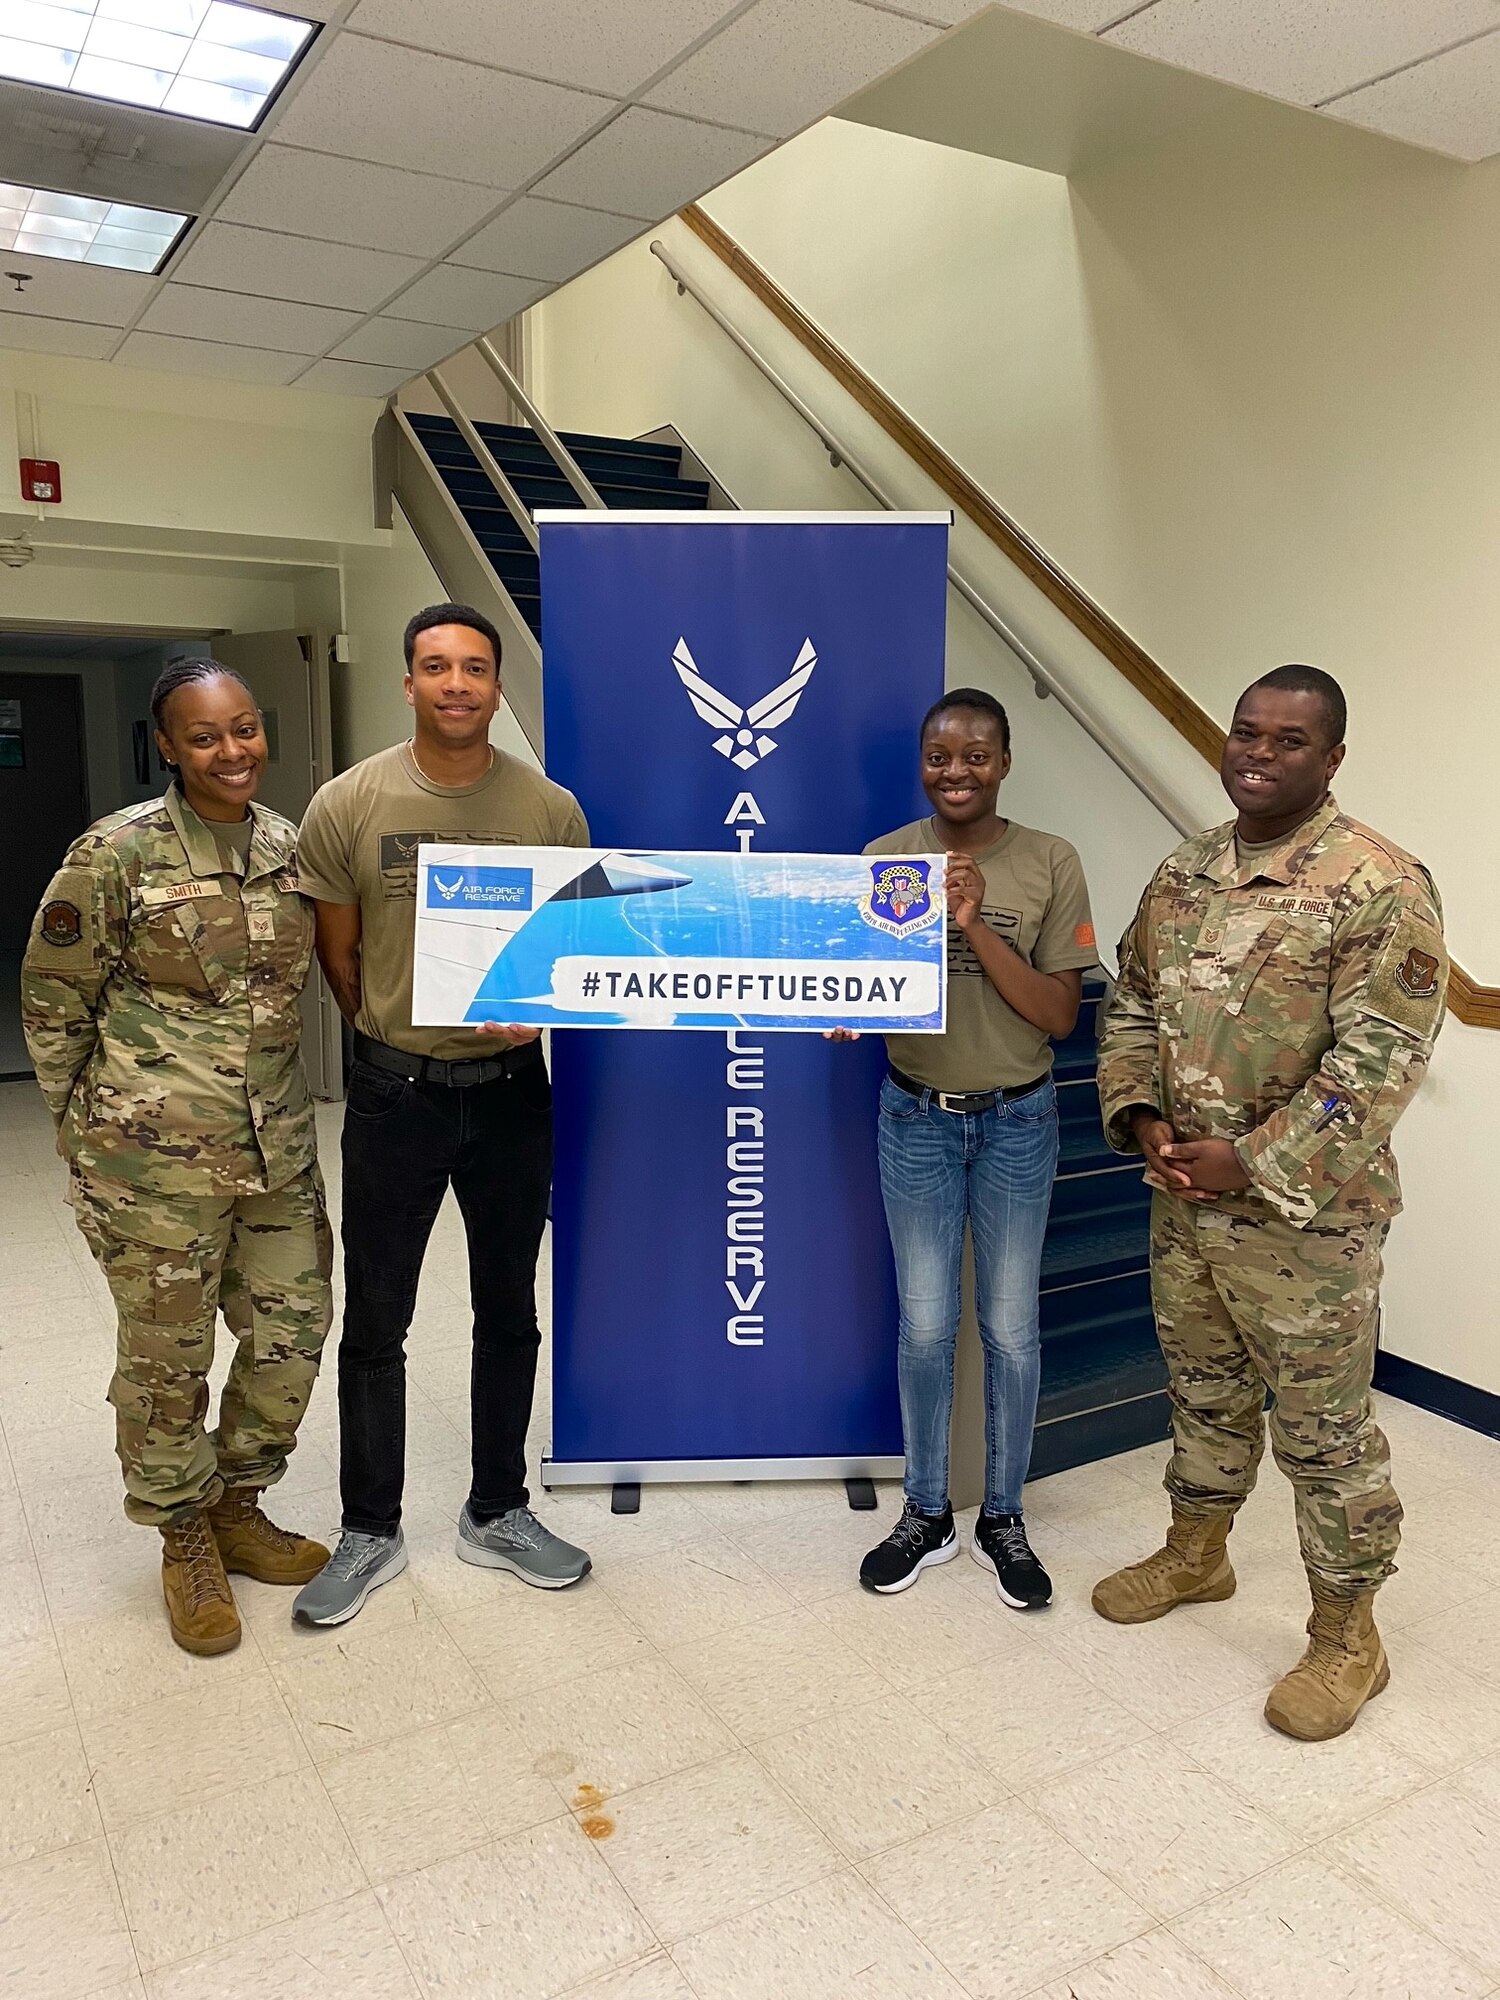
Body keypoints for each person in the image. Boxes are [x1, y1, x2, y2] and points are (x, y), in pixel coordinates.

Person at [1094, 664, 1447, 1741]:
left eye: (1288, 740)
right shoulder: (1185, 871)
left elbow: (1379, 1063)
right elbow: (1134, 1003)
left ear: (1332, 757)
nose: (1257, 751)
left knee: (1324, 1431)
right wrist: (1145, 1121)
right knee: (1202, 1389)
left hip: (1307, 1224)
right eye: (1246, 731)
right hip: (1184, 1200)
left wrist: (1247, 1161)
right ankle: (1198, 1554)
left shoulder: (1378, 882)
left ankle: (1349, 1630)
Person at [21, 660, 332, 1656]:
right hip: (150, 1165)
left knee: (294, 1331)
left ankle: (239, 1498)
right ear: (167, 745)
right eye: (204, 736)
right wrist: (89, 1136)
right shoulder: (115, 853)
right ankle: (182, 1530)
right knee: (168, 1356)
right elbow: (54, 1001)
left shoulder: (291, 849)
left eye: (243, 729)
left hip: (276, 1147)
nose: (230, 750)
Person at [290, 603, 592, 1626]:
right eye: (434, 665)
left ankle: (496, 1509)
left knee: (509, 1310)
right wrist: (390, 1037)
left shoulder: (551, 809)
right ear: (408, 682)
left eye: (474, 667)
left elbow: (573, 953)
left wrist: (536, 1007)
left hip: (513, 1097)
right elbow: (339, 954)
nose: (455, 682)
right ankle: (369, 1527)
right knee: (376, 1322)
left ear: (499, 687)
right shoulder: (348, 800)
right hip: (394, 1097)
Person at [849, 688, 1098, 1606]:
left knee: (1010, 1329)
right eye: (939, 756)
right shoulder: (884, 860)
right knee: (924, 1325)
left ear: (1004, 762)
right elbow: (865, 985)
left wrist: (973, 928)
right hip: (915, 1116)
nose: (957, 771)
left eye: (976, 754)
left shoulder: (1049, 861)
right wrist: (842, 1007)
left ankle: (1002, 1514)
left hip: (1019, 1123)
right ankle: (925, 1512)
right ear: (923, 764)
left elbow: (1061, 1014)